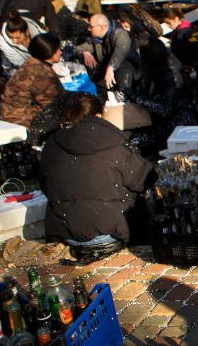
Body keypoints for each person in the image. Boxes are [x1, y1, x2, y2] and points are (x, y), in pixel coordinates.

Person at [40, 92, 156, 263]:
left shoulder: (51, 144)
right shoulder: (112, 141)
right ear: (99, 116)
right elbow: (145, 179)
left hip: (65, 232)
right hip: (111, 231)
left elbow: (45, 185)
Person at [0, 33, 64, 127]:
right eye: (58, 49)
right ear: (50, 51)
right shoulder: (41, 73)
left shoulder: (32, 63)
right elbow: (51, 105)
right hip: (22, 121)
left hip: (10, 116)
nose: (60, 52)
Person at [76, 13, 141, 93]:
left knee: (124, 68)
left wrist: (111, 67)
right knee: (91, 66)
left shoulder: (119, 32)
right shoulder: (96, 37)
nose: (89, 29)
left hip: (129, 72)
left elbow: (122, 48)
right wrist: (85, 52)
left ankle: (126, 96)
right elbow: (81, 47)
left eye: (91, 27)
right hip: (107, 72)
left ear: (102, 27)